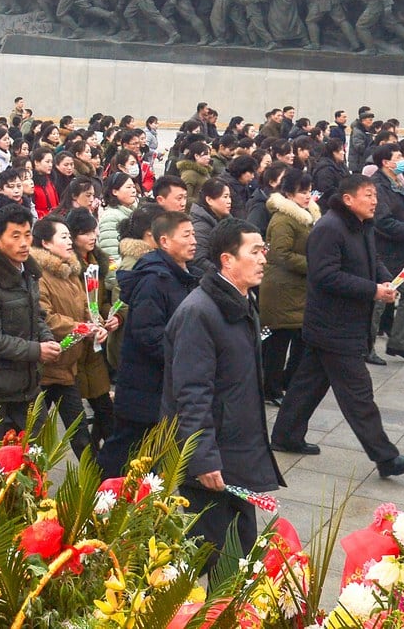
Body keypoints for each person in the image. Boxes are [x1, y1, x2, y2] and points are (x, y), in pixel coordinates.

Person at [270, 176, 404, 478]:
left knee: (308, 385)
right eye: (368, 195)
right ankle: (386, 457)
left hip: (344, 322)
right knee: (358, 393)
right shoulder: (329, 228)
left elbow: (371, 259)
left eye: (375, 194)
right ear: (348, 199)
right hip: (334, 325)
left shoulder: (361, 224)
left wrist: (385, 280)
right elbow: (325, 276)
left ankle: (285, 436)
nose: (374, 200)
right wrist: (372, 290)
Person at [163, 218, 282, 560]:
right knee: (220, 560)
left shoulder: (240, 301)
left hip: (238, 453)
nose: (262, 259)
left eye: (264, 250)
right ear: (227, 260)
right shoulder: (199, 312)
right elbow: (191, 393)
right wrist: (202, 459)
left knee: (242, 554)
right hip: (213, 461)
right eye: (255, 251)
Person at [101, 210, 197, 477]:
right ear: (164, 241)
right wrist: (184, 357)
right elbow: (148, 335)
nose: (193, 241)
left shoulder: (182, 275)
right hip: (145, 386)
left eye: (194, 234)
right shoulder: (155, 280)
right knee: (124, 453)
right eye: (186, 235)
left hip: (162, 386)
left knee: (150, 457)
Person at [0, 204, 60, 436]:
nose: (24, 243)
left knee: (36, 460)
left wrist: (47, 337)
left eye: (27, 235)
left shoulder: (28, 270)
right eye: (15, 236)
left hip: (27, 387)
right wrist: (36, 350)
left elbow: (35, 314)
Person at [32, 216, 112, 460]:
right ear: (45, 243)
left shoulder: (71, 271)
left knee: (81, 437)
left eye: (69, 236)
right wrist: (81, 328)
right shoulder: (39, 275)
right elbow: (46, 317)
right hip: (45, 370)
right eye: (63, 237)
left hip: (69, 369)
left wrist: (95, 325)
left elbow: (85, 307)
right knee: (37, 441)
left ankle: (96, 490)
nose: (69, 242)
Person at [260, 169, 318, 404]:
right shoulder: (283, 219)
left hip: (297, 289)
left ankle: (285, 382)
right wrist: (313, 264)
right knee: (277, 345)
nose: (307, 196)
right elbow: (280, 254)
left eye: (309, 191)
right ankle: (270, 388)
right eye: (302, 192)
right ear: (288, 193)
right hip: (281, 291)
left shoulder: (305, 216)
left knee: (300, 342)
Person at [369, 144, 404, 361]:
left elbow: (401, 214)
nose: (402, 160)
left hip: (401, 254)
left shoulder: (397, 182)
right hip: (385, 254)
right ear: (386, 162)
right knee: (379, 303)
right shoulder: (378, 185)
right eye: (398, 157)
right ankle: (367, 347)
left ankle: (397, 343)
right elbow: (383, 221)